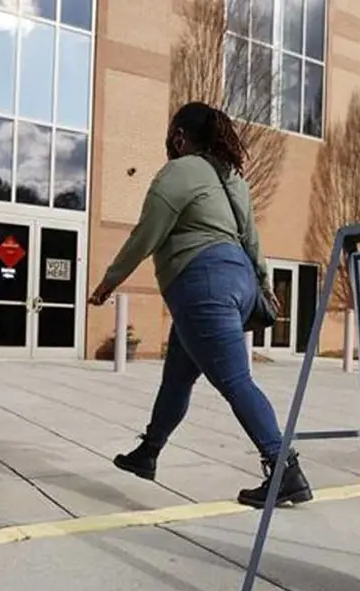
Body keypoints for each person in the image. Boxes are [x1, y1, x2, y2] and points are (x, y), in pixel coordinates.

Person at [87, 101, 312, 508]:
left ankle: (285, 469)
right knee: (177, 378)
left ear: (179, 136)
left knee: (235, 381)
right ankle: (148, 452)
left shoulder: (179, 172)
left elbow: (147, 233)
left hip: (203, 286)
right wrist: (263, 281)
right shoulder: (233, 180)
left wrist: (110, 281)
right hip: (235, 281)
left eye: (171, 137)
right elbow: (252, 240)